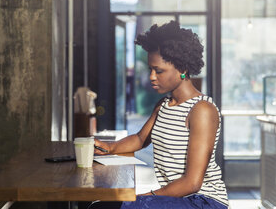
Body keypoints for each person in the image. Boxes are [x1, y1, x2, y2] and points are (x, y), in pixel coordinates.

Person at [92, 20, 229, 209]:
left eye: (159, 71)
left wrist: (147, 196)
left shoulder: (202, 110)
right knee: (99, 205)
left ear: (183, 69)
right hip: (175, 199)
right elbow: (140, 139)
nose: (152, 77)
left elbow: (192, 182)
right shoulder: (164, 105)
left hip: (202, 201)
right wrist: (108, 147)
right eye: (151, 69)